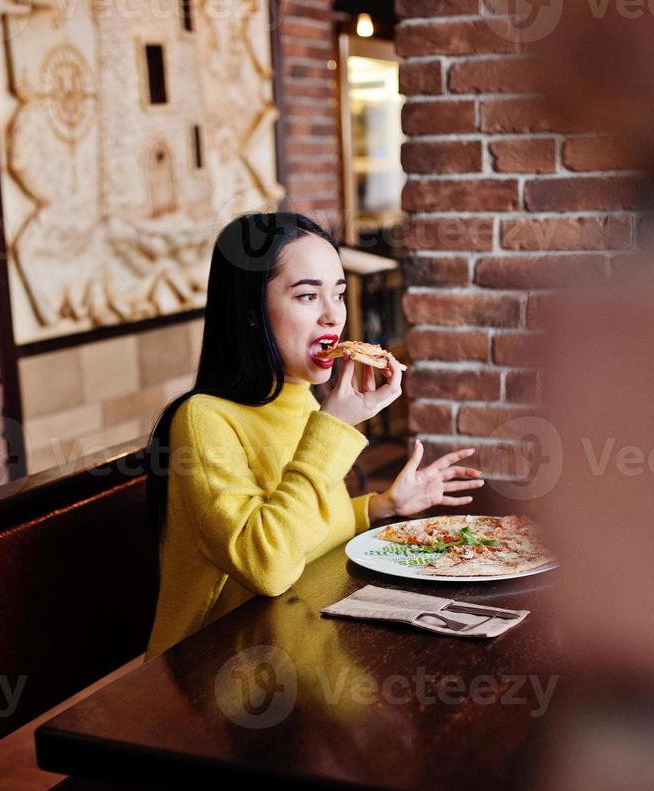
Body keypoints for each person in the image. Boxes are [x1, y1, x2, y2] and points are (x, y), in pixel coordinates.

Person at [143, 211, 484, 660]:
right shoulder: (202, 419)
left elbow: (301, 532)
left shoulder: (299, 396)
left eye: (339, 295)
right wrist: (334, 426)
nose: (332, 317)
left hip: (286, 644)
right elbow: (268, 565)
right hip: (212, 669)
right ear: (249, 312)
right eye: (307, 296)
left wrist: (382, 506)